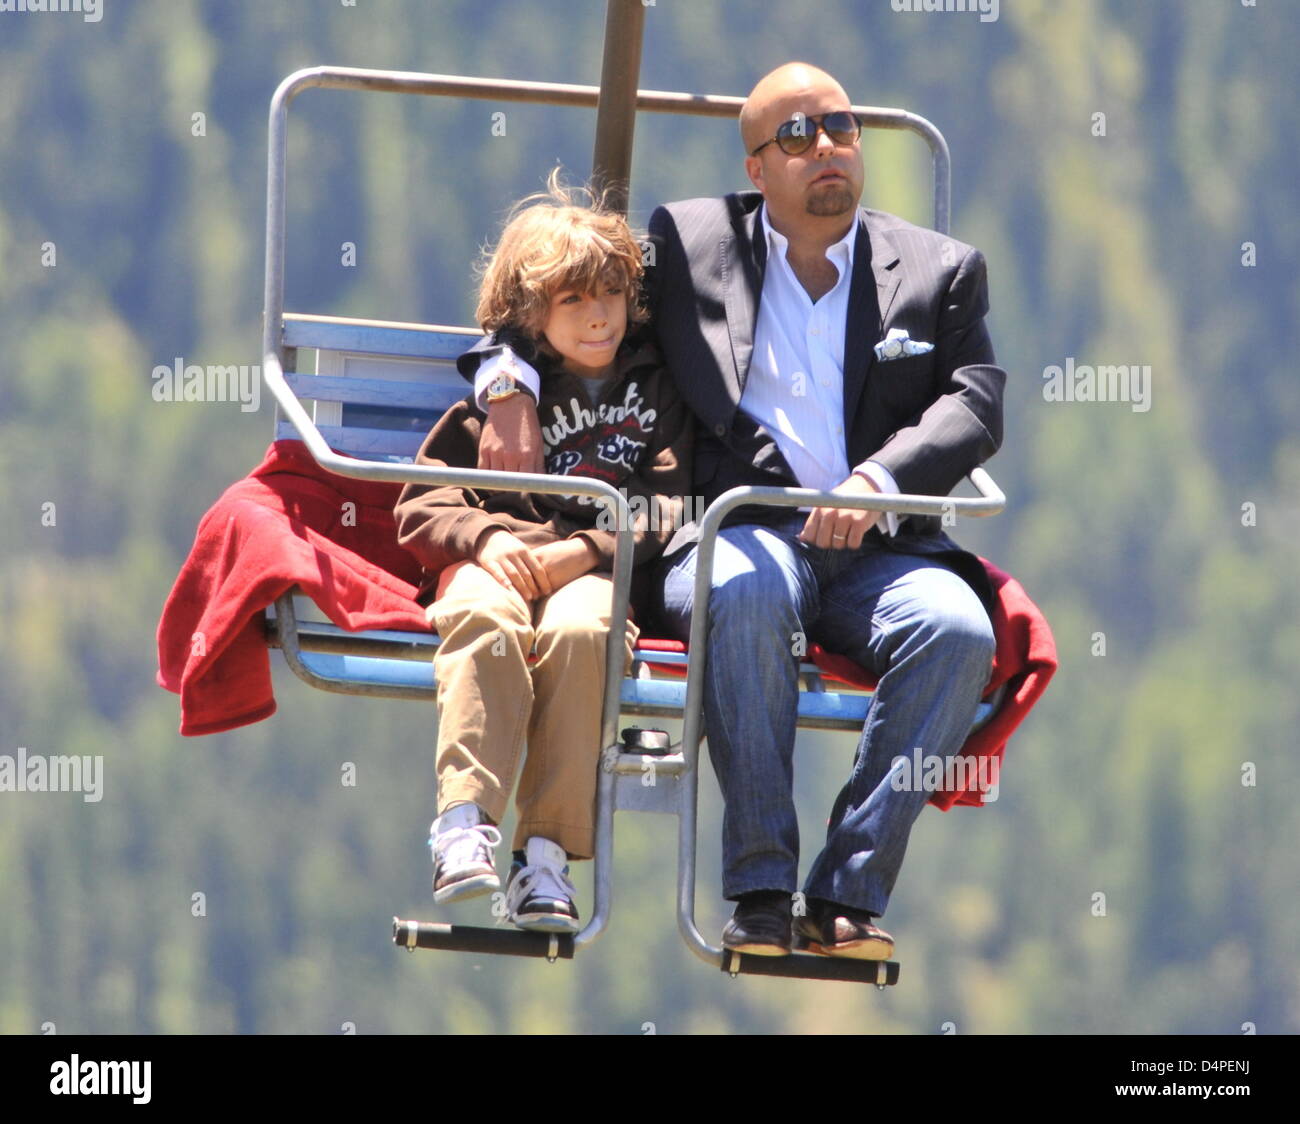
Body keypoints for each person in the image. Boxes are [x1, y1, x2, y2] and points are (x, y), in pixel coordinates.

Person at [461, 63, 1005, 960]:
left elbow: (976, 402)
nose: (824, 147)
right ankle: (760, 885)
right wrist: (508, 384)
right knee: (745, 594)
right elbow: (557, 293)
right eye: (796, 135)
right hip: (738, 527)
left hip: (880, 550)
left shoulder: (937, 273)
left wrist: (875, 483)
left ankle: (845, 895)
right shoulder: (692, 242)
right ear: (757, 167)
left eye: (840, 125)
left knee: (958, 633)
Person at [393, 175, 692, 933]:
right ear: (532, 314)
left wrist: (583, 551)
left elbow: (670, 504)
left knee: (584, 634)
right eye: (573, 301)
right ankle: (464, 822)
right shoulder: (501, 401)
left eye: (612, 296)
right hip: (496, 562)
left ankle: (546, 855)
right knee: (481, 620)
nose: (599, 318)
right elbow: (423, 500)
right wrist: (487, 539)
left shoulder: (656, 393)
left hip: (590, 571)